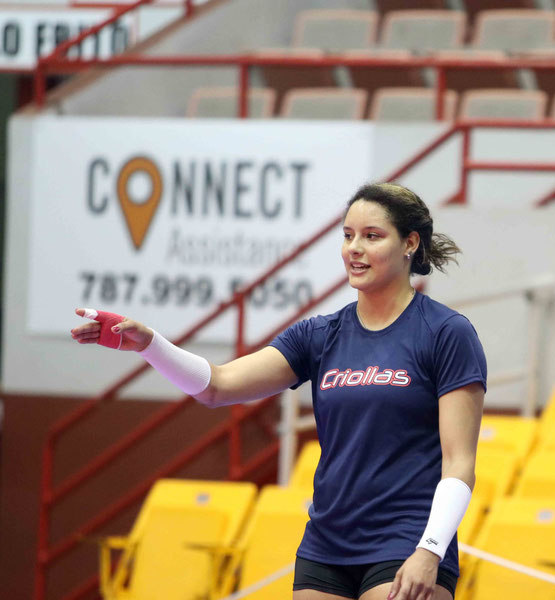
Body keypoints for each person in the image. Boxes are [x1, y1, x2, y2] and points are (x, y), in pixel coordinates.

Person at [71, 182, 488, 600]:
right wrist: (150, 345)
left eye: (372, 236)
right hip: (327, 544)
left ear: (410, 244)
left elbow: (459, 462)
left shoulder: (446, 333)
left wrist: (430, 550)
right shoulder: (320, 334)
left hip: (407, 540)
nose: (354, 248)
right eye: (347, 236)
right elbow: (217, 385)